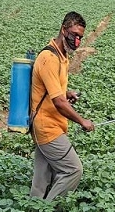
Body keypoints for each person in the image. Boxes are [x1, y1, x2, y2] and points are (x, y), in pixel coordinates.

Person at [29, 11, 95, 201]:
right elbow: (58, 103)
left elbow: (53, 90)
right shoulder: (49, 59)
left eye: (80, 37)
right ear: (63, 29)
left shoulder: (61, 56)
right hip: (47, 128)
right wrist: (82, 121)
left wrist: (66, 93)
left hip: (49, 125)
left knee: (41, 179)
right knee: (73, 170)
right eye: (74, 35)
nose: (77, 40)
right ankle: (48, 211)